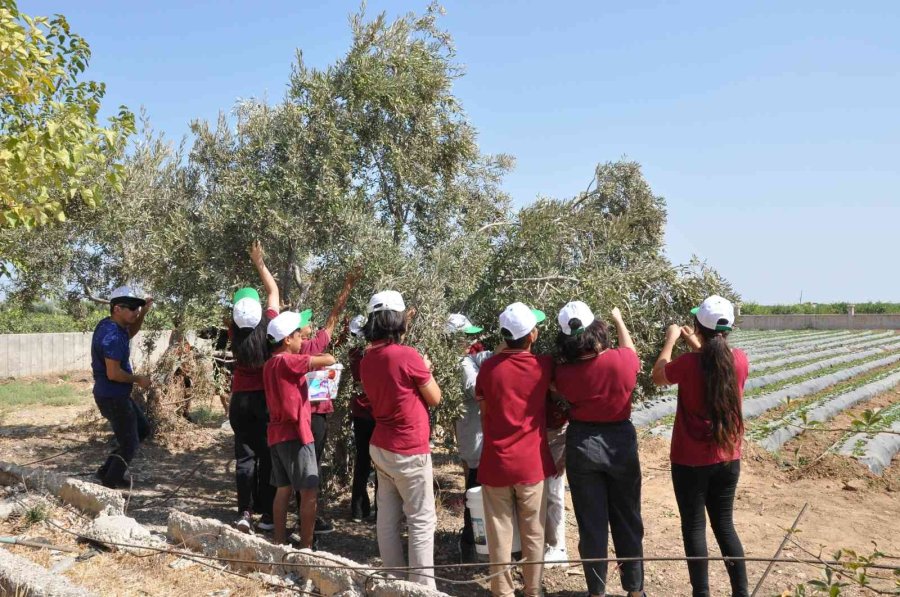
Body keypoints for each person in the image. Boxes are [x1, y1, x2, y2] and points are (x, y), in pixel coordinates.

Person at [652, 295, 749, 597]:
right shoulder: (740, 361)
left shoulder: (687, 364)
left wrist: (670, 342)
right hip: (727, 457)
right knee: (724, 525)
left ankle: (702, 593)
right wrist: (697, 344)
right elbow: (714, 366)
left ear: (697, 325)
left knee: (694, 527)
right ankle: (741, 592)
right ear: (729, 329)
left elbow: (657, 377)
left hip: (689, 461)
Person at [554, 302, 645, 597]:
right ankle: (634, 590)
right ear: (596, 328)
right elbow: (632, 353)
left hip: (582, 443)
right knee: (627, 518)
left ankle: (596, 591)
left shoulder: (565, 374)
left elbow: (556, 389)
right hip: (620, 441)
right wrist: (619, 320)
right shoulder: (621, 361)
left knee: (591, 524)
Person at [359, 291, 442, 588]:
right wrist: (427, 369)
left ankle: (393, 583)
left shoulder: (368, 359)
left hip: (381, 445)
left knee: (388, 518)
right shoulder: (408, 356)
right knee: (420, 520)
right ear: (397, 320)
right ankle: (421, 588)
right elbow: (435, 398)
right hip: (409, 448)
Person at [476, 302, 555, 597]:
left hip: (496, 461)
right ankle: (533, 590)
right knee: (533, 531)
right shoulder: (543, 365)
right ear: (532, 335)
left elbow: (484, 408)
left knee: (499, 532)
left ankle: (502, 590)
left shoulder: (488, 368)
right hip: (531, 463)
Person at [263, 310, 336, 548]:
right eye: (299, 337)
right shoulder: (288, 361)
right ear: (287, 339)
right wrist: (323, 354)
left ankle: (278, 541)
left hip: (276, 434)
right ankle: (306, 547)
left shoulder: (270, 364)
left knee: (282, 489)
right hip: (297, 432)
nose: (302, 341)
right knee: (309, 491)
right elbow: (328, 360)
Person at [228, 241, 280, 534]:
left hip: (240, 402)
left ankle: (244, 513)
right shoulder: (269, 328)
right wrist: (259, 262)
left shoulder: (233, 332)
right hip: (265, 400)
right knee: (268, 455)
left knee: (244, 457)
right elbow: (273, 292)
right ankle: (268, 514)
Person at [91, 286, 153, 489]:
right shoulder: (113, 336)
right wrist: (138, 379)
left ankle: (106, 471)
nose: (136, 311)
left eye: (138, 307)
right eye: (133, 307)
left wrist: (143, 313)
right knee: (129, 443)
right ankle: (109, 483)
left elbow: (130, 332)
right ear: (117, 308)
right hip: (113, 397)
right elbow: (113, 373)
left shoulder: (110, 326)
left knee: (142, 429)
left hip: (114, 395)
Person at [445, 313, 490, 563]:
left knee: (475, 487)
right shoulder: (460, 363)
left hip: (472, 433)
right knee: (475, 489)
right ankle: (471, 543)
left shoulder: (466, 359)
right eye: (465, 336)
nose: (469, 340)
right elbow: (476, 389)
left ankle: (472, 543)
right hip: (474, 434)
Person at [347, 314, 376, 521]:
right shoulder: (370, 353)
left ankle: (358, 508)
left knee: (362, 460)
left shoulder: (353, 352)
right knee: (381, 463)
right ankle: (381, 510)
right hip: (374, 411)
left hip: (359, 411)